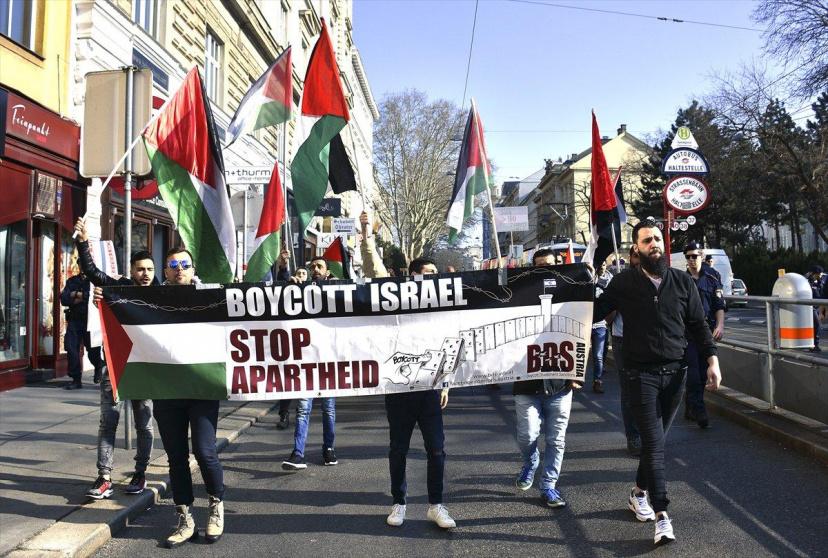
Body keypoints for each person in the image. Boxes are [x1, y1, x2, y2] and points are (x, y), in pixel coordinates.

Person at [594, 221, 721, 546]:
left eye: (657, 239)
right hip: (640, 375)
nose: (654, 244)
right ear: (636, 248)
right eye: (647, 240)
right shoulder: (624, 283)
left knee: (656, 443)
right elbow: (593, 312)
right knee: (654, 442)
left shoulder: (681, 281)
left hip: (675, 374)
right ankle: (662, 514)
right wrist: (578, 287)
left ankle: (638, 492)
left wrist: (712, 360)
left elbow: (698, 324)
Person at [74, 218, 155, 501]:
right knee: (108, 422)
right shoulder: (120, 287)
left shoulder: (163, 295)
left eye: (149, 269)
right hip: (116, 365)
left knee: (144, 424)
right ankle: (104, 477)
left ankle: (140, 472)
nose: (145, 274)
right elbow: (92, 272)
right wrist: (83, 242)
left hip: (146, 370)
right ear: (131, 271)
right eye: (140, 269)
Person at [153, 246, 225, 547]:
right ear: (165, 272)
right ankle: (185, 518)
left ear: (193, 270)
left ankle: (216, 505)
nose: (179, 269)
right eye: (173, 265)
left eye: (184, 264)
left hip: (202, 388)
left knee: (205, 451)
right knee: (176, 457)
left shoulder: (211, 297)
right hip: (167, 390)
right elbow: (110, 290)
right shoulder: (151, 299)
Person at [385, 256, 456, 530]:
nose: (433, 278)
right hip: (399, 390)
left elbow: (450, 343)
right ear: (413, 275)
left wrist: (446, 383)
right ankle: (399, 502)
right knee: (398, 450)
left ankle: (436, 505)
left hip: (429, 390)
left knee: (436, 449)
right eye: (428, 273)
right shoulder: (395, 300)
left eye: (436, 273)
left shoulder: (441, 307)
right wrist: (367, 240)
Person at [513, 248, 581, 508]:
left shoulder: (571, 295)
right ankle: (531, 462)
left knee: (556, 440)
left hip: (560, 384)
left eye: (550, 265)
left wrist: (578, 372)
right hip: (526, 382)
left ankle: (549, 486)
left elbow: (582, 332)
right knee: (527, 436)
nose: (545, 270)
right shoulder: (519, 297)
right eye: (539, 266)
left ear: (560, 266)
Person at [282, 255, 338, 470]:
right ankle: (298, 454)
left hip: (328, 362)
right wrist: (288, 284)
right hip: (305, 361)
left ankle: (329, 449)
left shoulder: (334, 290)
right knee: (303, 408)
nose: (315, 269)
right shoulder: (299, 290)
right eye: (312, 266)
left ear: (327, 272)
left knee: (328, 409)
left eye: (319, 266)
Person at [683, 242, 725, 428]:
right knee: (693, 372)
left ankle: (690, 405)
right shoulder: (682, 280)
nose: (692, 260)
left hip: (707, 332)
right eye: (688, 257)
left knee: (702, 373)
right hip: (688, 333)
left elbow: (719, 305)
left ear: (701, 256)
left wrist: (720, 325)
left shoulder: (712, 277)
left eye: (694, 256)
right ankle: (699, 410)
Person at [611, 247, 641, 456]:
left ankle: (651, 434)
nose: (639, 260)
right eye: (636, 256)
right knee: (629, 390)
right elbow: (606, 315)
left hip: (648, 340)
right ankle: (634, 436)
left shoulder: (658, 279)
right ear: (630, 258)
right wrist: (618, 303)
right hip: (623, 339)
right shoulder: (620, 281)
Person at [60, 270, 104, 389]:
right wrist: (80, 296)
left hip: (91, 320)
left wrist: (75, 295)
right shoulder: (72, 281)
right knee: (71, 348)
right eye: (81, 265)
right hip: (75, 320)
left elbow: (93, 297)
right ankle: (76, 379)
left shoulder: (95, 280)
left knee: (92, 350)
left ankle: (98, 366)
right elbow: (64, 299)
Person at [589, 261, 612, 394]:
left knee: (598, 355)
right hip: (585, 324)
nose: (601, 267)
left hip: (600, 325)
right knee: (581, 354)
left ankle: (597, 381)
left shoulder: (608, 281)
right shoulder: (586, 280)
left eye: (603, 265)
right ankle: (574, 380)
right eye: (599, 265)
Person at [807, 265, 827, 352]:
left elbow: (822, 293)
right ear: (813, 274)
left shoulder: (820, 281)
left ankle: (814, 344)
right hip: (810, 306)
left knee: (816, 325)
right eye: (817, 274)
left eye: (820, 274)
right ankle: (814, 344)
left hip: (818, 306)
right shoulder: (807, 281)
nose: (819, 276)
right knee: (816, 324)